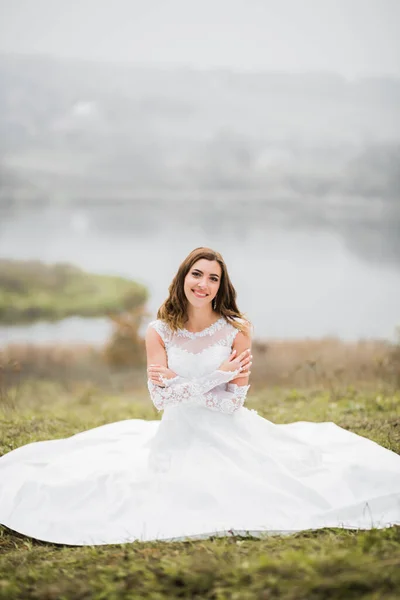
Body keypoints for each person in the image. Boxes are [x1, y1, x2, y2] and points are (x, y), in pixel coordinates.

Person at [0, 247, 399, 546]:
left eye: (213, 278)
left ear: (221, 286)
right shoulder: (158, 331)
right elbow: (160, 399)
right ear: (182, 277)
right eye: (197, 274)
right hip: (175, 435)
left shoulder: (237, 329)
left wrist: (191, 383)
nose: (203, 284)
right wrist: (217, 375)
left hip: (229, 434)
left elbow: (231, 404)